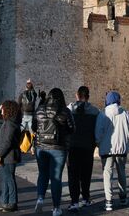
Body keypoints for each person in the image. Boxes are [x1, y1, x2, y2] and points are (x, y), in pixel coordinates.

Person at [32, 88, 75, 216]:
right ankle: (56, 208)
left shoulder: (40, 109)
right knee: (56, 178)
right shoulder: (65, 111)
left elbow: (34, 127)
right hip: (59, 148)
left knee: (43, 174)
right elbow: (72, 129)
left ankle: (40, 198)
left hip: (41, 146)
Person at [95, 91, 129, 212]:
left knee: (107, 174)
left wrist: (98, 143)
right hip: (122, 149)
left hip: (107, 149)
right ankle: (123, 197)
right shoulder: (126, 113)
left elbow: (98, 134)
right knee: (121, 172)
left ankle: (109, 201)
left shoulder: (103, 114)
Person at [66, 86, 99, 212]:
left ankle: (74, 201)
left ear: (77, 95)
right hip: (87, 147)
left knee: (73, 174)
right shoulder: (95, 111)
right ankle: (85, 198)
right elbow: (97, 129)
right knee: (86, 174)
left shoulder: (69, 109)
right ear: (88, 96)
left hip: (73, 146)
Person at [0, 100, 22, 212]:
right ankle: (4, 201)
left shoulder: (10, 124)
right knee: (5, 179)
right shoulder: (10, 122)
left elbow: (7, 142)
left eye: (3, 108)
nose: (1, 110)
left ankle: (12, 202)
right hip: (8, 155)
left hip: (9, 156)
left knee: (9, 179)